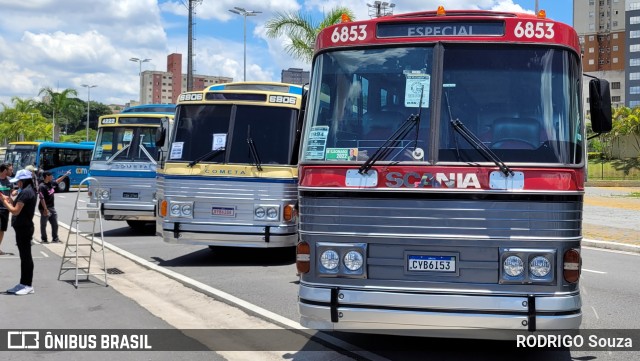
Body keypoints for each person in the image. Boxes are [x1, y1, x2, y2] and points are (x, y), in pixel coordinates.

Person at [1, 169, 38, 295]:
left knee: (26, 257)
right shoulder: (26, 191)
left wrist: (4, 202)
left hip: (24, 228)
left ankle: (27, 284)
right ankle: (23, 283)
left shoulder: (26, 192)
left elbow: (15, 211)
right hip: (23, 227)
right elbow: (17, 206)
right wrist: (7, 199)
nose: (17, 184)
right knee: (24, 257)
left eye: (19, 181)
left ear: (23, 181)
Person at [38, 170, 70, 243]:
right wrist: (45, 209)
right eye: (51, 175)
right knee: (43, 224)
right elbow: (42, 198)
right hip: (44, 208)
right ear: (47, 177)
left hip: (52, 207)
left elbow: (57, 181)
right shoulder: (42, 186)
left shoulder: (51, 183)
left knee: (55, 224)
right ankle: (44, 239)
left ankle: (55, 238)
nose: (52, 177)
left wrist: (65, 175)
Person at [0, 164, 12, 255]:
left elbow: (11, 193)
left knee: (2, 229)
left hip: (5, 209)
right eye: (10, 170)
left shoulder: (9, 181)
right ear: (4, 170)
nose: (11, 171)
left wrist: (15, 192)